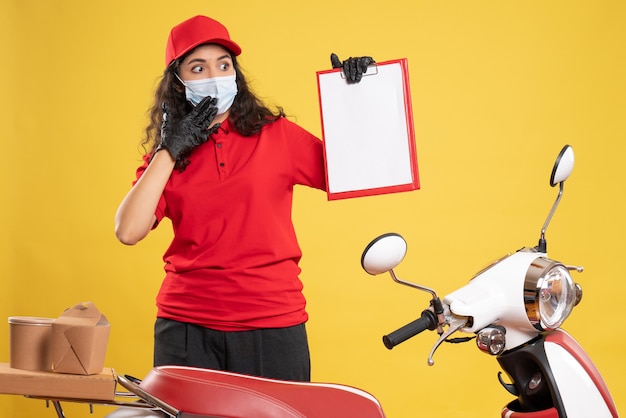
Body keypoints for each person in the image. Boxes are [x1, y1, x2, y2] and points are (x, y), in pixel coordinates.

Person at [114, 14, 373, 382]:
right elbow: (128, 230)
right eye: (198, 68)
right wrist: (168, 150)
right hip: (186, 326)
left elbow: (363, 172)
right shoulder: (168, 157)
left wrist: (358, 99)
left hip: (272, 323)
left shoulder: (278, 136)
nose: (214, 76)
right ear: (178, 82)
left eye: (223, 65)